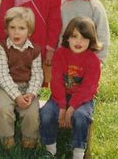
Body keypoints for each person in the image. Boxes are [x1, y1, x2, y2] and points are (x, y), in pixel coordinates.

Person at [40, 17, 101, 159]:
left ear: (91, 41)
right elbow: (56, 82)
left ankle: (78, 153)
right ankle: (50, 150)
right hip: (59, 95)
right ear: (67, 38)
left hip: (82, 99)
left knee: (81, 116)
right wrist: (62, 106)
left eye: (84, 38)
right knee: (47, 114)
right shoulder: (61, 53)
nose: (79, 42)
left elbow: (88, 88)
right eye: (75, 36)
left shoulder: (92, 60)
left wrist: (71, 108)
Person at [0, 7, 43, 149]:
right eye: (12, 27)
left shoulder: (35, 50)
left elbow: (37, 74)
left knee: (32, 112)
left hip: (27, 87)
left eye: (21, 28)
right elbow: (2, 74)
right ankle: (6, 138)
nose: (16, 32)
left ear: (29, 32)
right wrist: (16, 96)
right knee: (2, 109)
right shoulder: (2, 48)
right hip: (5, 87)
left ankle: (29, 138)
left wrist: (31, 94)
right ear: (6, 30)